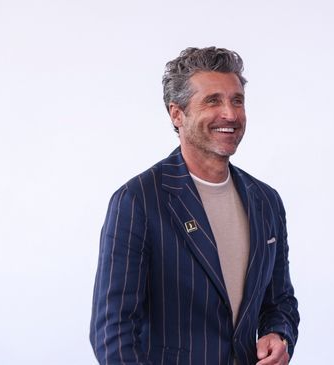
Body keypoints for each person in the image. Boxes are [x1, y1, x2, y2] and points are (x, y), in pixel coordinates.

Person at [90, 47, 299, 365]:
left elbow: (280, 301)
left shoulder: (266, 201)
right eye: (213, 100)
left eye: (237, 100)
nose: (230, 114)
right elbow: (113, 332)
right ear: (177, 114)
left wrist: (278, 334)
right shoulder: (138, 201)